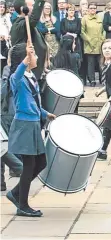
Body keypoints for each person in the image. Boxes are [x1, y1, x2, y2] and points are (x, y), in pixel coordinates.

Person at [6, 43, 56, 217]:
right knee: (29, 165)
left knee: (41, 162)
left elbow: (33, 101)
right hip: (24, 125)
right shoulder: (17, 78)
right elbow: (16, 76)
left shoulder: (31, 76)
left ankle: (16, 193)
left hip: (34, 123)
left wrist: (45, 113)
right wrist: (25, 59)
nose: (36, 58)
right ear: (25, 59)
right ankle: (23, 205)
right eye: (32, 56)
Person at [10, 0, 47, 79]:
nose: (35, 7)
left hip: (35, 70)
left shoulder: (25, 23)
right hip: (27, 72)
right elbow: (34, 18)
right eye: (33, 5)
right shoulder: (20, 25)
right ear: (24, 9)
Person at [1, 50, 23, 192]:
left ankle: (20, 169)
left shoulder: (8, 71)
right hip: (16, 112)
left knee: (3, 148)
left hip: (6, 111)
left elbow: (2, 92)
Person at [81, 2, 105, 87]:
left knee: (101, 62)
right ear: (88, 9)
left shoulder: (100, 18)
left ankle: (102, 79)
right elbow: (82, 31)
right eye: (91, 8)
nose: (93, 9)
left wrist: (102, 39)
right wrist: (89, 41)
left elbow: (104, 30)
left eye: (94, 8)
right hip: (89, 45)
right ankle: (92, 80)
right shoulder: (85, 18)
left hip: (99, 44)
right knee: (90, 64)